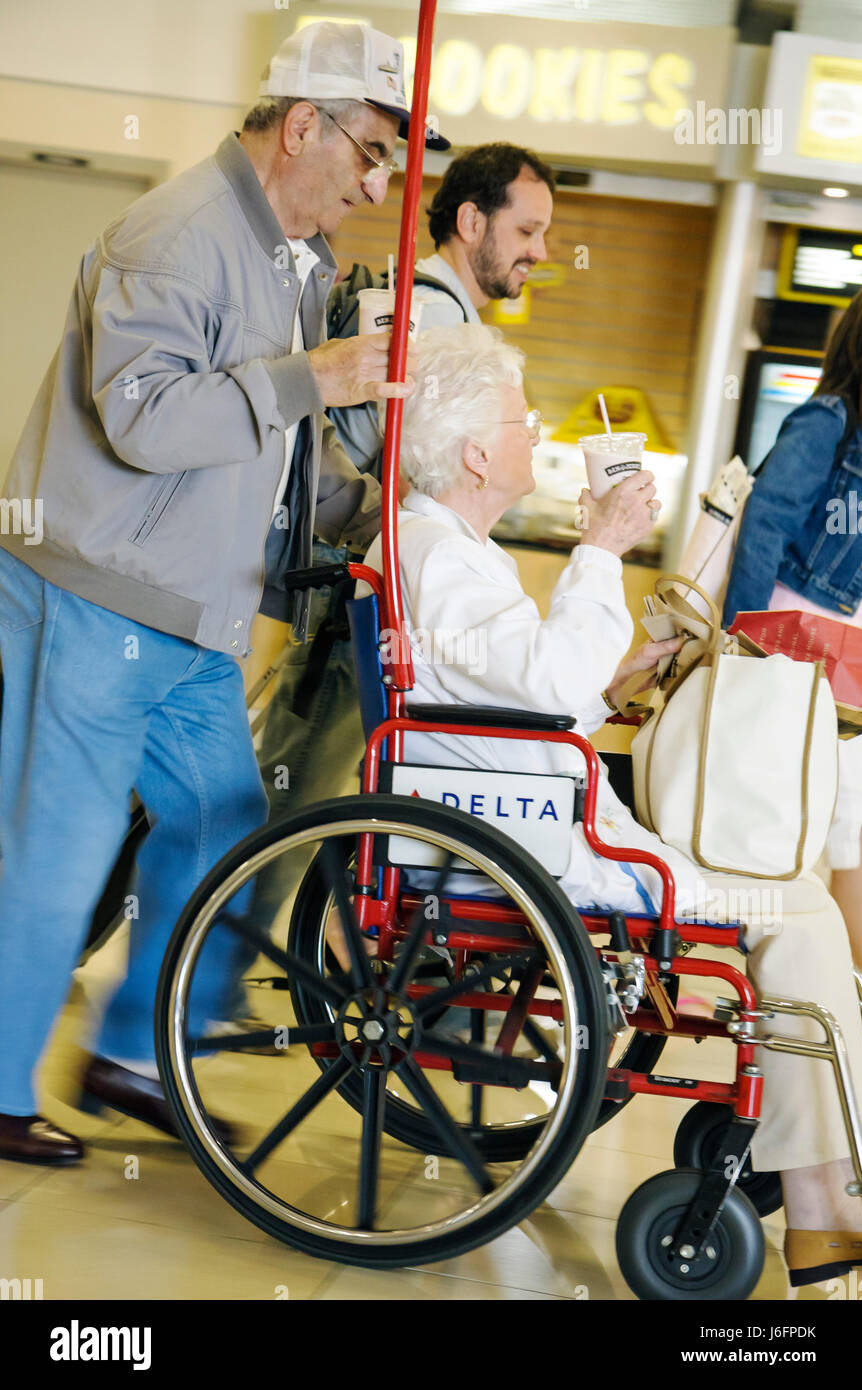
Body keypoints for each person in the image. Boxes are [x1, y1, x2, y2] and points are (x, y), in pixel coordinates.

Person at [0, 19, 449, 1166]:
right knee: (58, 848)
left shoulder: (286, 263)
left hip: (188, 620)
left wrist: (389, 524)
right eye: (367, 152)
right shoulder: (178, 234)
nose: (375, 180)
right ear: (302, 125)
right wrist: (312, 375)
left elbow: (279, 454)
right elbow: (146, 419)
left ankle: (136, 1054)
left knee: (225, 829)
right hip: (96, 596)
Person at [361, 322, 862, 1288]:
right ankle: (824, 1200)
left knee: (798, 903)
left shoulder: (448, 546)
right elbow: (543, 693)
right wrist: (599, 548)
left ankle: (822, 1183)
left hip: (528, 803)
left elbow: (524, 699)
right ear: (476, 453)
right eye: (519, 418)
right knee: (796, 911)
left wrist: (629, 667)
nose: (537, 426)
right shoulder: (441, 555)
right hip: (535, 834)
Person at [255, 144, 556, 918]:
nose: (541, 253)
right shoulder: (426, 318)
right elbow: (391, 463)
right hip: (360, 593)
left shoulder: (438, 313)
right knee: (296, 790)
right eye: (527, 231)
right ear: (469, 220)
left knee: (310, 783)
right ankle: (205, 978)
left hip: (370, 583)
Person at [724, 289, 862, 976]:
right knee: (830, 821)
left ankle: (839, 982)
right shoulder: (830, 420)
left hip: (847, 655)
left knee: (847, 824)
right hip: (799, 640)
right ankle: (815, 978)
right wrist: (739, 642)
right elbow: (765, 523)